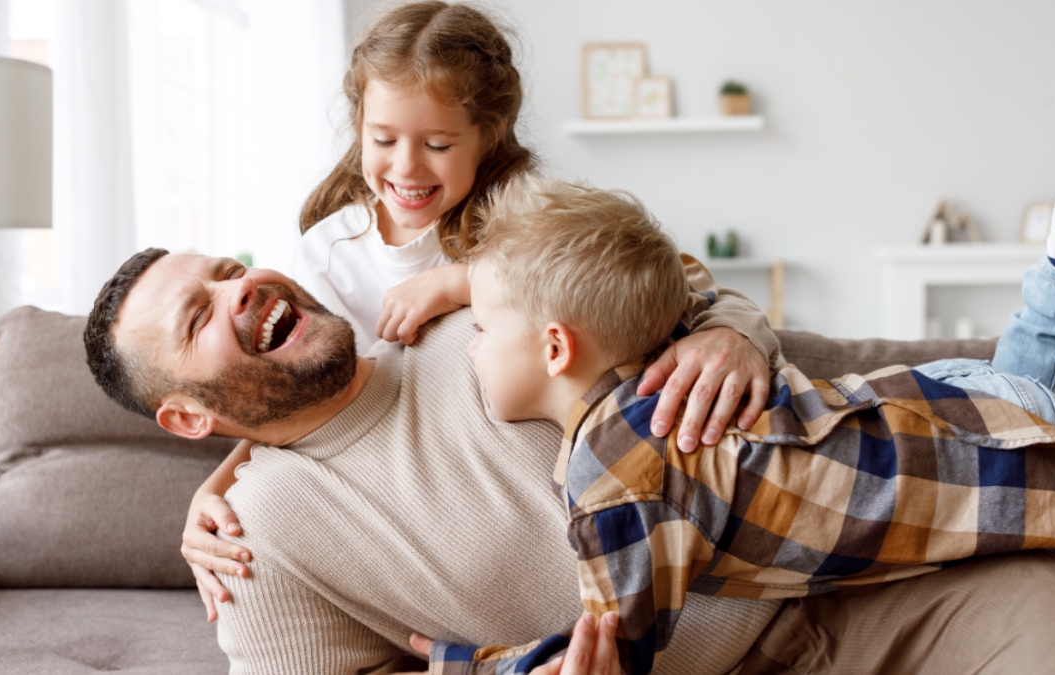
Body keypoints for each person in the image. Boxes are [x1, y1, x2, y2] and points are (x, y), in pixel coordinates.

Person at [83, 247, 1055, 673]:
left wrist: (734, 331)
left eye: (227, 268)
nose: (241, 288)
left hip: (848, 589)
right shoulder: (255, 536)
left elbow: (674, 278)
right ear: (183, 418)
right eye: (202, 313)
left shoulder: (472, 320)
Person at [182, 0, 782, 619]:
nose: (407, 167)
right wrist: (215, 486)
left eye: (438, 144)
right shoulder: (330, 253)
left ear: (488, 136)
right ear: (358, 125)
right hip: (417, 495)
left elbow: (669, 280)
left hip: (552, 475)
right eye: (383, 139)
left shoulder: (523, 217)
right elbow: (289, 398)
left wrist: (461, 282)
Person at [419, 174, 1055, 675]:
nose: (471, 346)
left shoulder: (616, 479)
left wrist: (475, 665)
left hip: (971, 452)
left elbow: (610, 648)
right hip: (951, 401)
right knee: (1029, 399)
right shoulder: (658, 349)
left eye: (480, 327)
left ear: (556, 347)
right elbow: (677, 278)